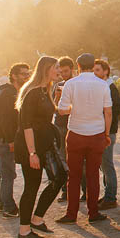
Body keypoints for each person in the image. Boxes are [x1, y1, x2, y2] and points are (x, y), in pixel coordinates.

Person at [55, 53, 112, 225]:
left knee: (74, 176)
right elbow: (108, 112)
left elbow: (62, 111)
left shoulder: (70, 84)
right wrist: (107, 134)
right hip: (96, 134)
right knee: (93, 175)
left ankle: (71, 214)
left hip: (76, 133)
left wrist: (74, 107)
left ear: (77, 66)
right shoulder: (103, 85)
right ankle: (93, 212)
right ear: (92, 64)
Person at [14, 56, 63, 238]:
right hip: (31, 146)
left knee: (60, 177)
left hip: (45, 144)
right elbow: (26, 124)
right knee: (31, 187)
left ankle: (37, 218)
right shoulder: (33, 91)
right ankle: (24, 230)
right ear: (46, 69)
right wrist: (32, 153)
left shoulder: (45, 89)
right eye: (56, 67)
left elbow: (45, 115)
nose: (58, 70)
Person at [0, 62, 29, 219]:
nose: (27, 76)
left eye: (28, 73)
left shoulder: (13, 92)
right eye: (23, 74)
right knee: (8, 174)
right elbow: (7, 121)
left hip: (3, 138)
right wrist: (11, 141)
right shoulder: (8, 95)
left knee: (4, 172)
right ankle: (8, 207)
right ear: (14, 76)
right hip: (5, 140)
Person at [93, 59, 120, 211]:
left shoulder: (110, 87)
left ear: (105, 71)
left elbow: (118, 107)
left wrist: (105, 114)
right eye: (94, 70)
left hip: (108, 130)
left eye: (98, 70)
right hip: (103, 129)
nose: (95, 73)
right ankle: (108, 194)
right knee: (103, 165)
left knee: (107, 164)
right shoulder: (103, 86)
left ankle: (111, 197)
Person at [52, 56, 74, 203]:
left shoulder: (77, 84)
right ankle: (65, 191)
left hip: (73, 125)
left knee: (78, 160)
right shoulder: (58, 84)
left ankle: (83, 191)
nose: (63, 74)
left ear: (72, 69)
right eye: (61, 71)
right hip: (60, 125)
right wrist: (58, 98)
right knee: (62, 159)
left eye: (66, 71)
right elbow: (54, 108)